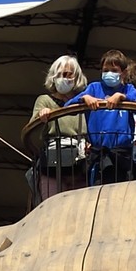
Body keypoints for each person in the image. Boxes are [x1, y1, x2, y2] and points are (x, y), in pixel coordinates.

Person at [65, 50, 136, 185]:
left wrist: (123, 97)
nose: (109, 73)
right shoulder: (93, 88)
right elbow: (68, 106)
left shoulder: (128, 89)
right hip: (99, 155)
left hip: (122, 155)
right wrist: (84, 98)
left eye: (114, 70)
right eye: (106, 70)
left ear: (124, 73)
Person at [24, 56, 88, 200]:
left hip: (80, 164)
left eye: (67, 74)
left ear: (76, 77)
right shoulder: (45, 100)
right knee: (51, 206)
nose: (62, 78)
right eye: (58, 75)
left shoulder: (83, 102)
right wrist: (42, 115)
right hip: (53, 165)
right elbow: (32, 128)